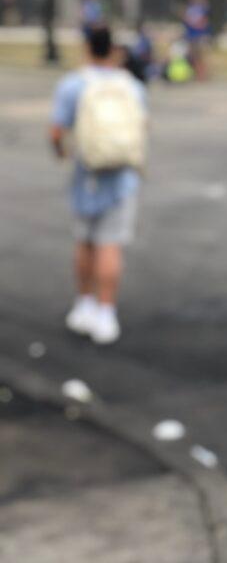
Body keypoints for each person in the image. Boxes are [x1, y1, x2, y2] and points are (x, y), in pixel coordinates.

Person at [50, 26, 147, 345]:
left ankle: (84, 305)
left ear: (87, 47)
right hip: (121, 178)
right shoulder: (131, 86)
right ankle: (106, 314)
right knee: (110, 244)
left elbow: (56, 132)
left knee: (85, 241)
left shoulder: (74, 84)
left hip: (85, 176)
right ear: (114, 50)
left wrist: (62, 153)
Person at [182, 0, 211, 80]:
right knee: (193, 57)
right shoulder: (191, 9)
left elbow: (203, 22)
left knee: (199, 57)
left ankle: (201, 75)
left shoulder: (199, 9)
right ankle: (197, 74)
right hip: (191, 36)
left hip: (197, 36)